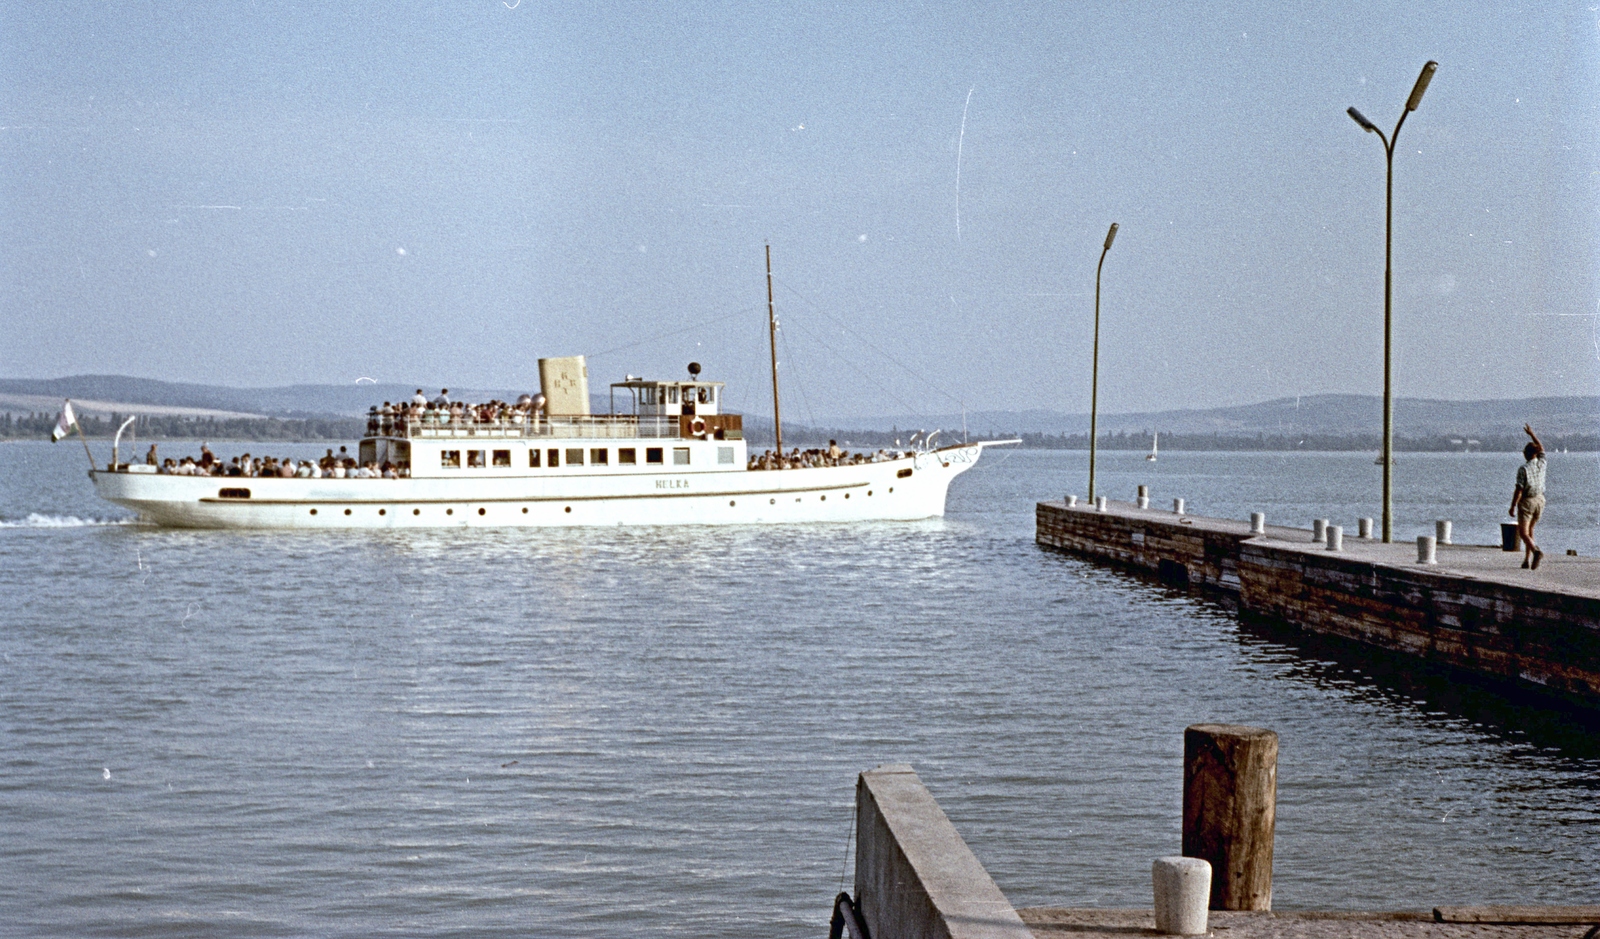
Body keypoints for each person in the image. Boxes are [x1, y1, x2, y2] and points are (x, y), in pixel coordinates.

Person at [1509, 423, 1547, 570]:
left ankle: (1536, 551)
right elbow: (1541, 447)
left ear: (1527, 453)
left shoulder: (1523, 469)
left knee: (1523, 532)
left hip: (1527, 502)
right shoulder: (1542, 463)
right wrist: (1532, 434)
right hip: (1540, 500)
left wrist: (1513, 506)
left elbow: (1519, 489)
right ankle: (1527, 560)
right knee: (1531, 530)